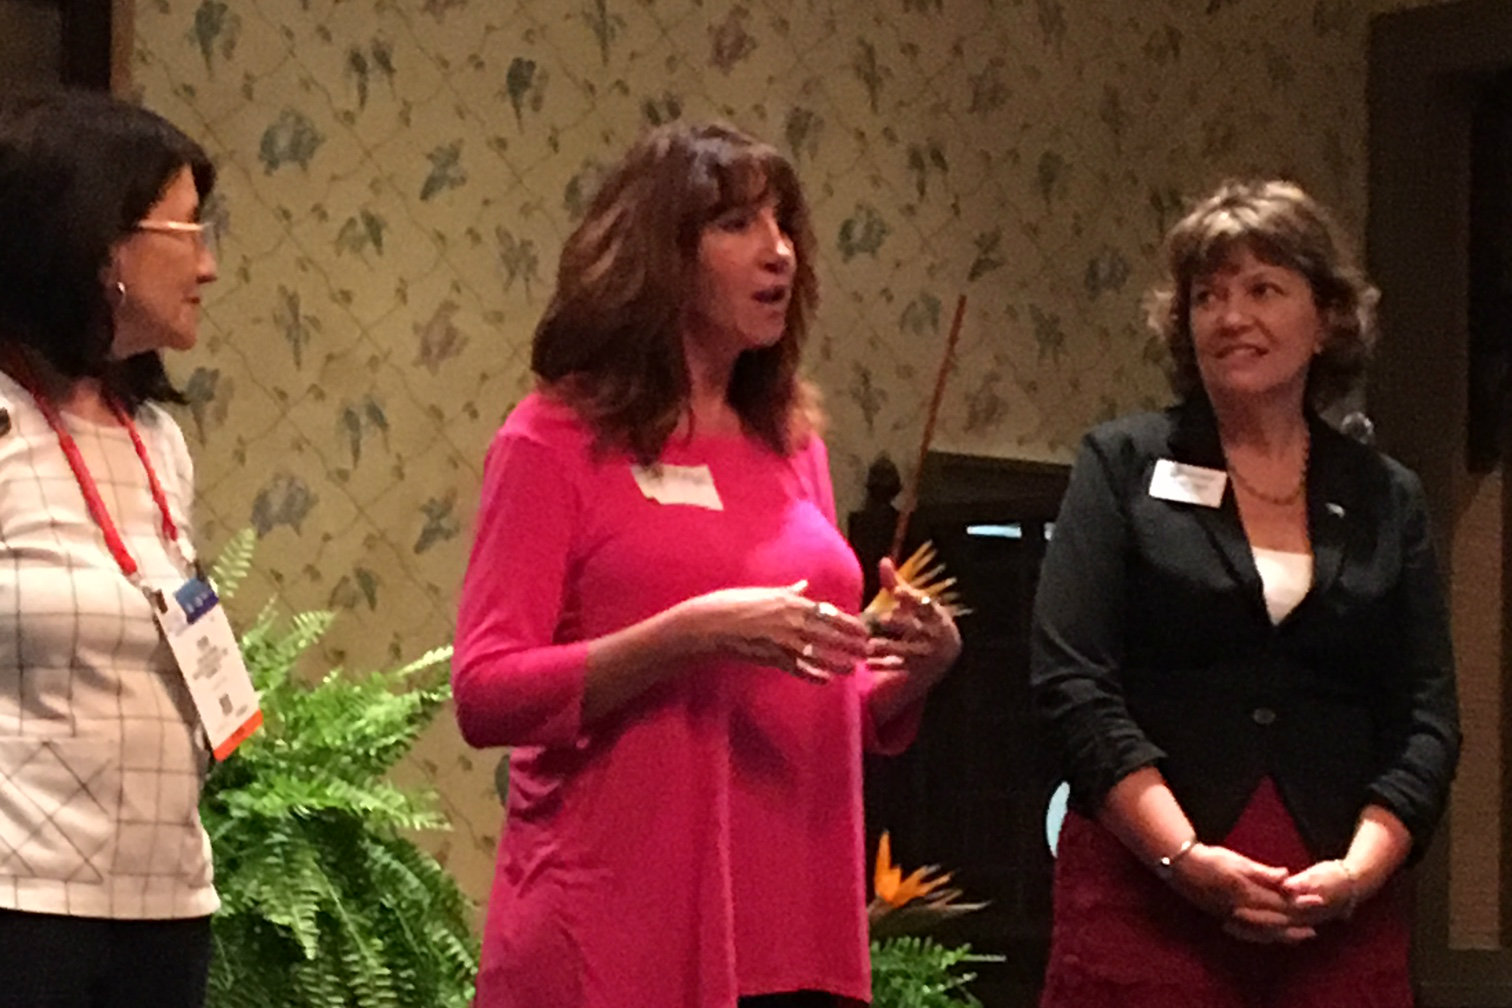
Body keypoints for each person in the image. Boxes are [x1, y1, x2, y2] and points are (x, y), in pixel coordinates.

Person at [453, 120, 961, 1008]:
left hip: (794, 926)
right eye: (736, 224)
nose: (779, 250)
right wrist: (689, 633)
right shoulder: (551, 440)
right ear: (659, 256)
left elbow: (811, 698)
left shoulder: (792, 446)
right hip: (617, 932)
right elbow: (485, 692)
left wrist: (914, 671)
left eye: (784, 224)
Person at [1030, 179, 1460, 1008]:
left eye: (1263, 289)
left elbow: (1427, 717)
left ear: (1326, 318)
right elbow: (1072, 684)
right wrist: (1182, 859)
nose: (1231, 316)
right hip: (1145, 900)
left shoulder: (1386, 495)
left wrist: (1357, 876)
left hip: (1339, 916)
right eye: (1208, 296)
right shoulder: (1121, 464)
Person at [0, 90, 221, 1007]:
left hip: (167, 903)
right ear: (101, 244)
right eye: (188, 230)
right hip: (22, 903)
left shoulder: (157, 440)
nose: (209, 265)